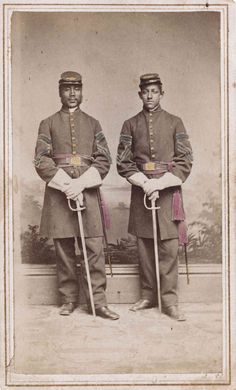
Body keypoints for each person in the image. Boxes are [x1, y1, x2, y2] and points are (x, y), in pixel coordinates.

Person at [34, 71, 119, 319]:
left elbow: (104, 160)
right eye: (67, 89)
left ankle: (98, 302)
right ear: (59, 92)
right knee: (64, 248)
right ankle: (69, 299)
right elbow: (41, 160)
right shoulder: (47, 123)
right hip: (59, 194)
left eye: (77, 89)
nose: (72, 94)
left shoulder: (93, 124)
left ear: (82, 91)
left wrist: (80, 184)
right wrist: (66, 184)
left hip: (88, 192)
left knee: (94, 247)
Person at [117, 73, 193, 321]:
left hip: (168, 192)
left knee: (169, 247)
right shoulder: (130, 124)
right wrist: (144, 183)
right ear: (140, 94)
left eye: (154, 91)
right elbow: (123, 163)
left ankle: (170, 301)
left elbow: (185, 161)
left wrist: (161, 184)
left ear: (162, 93)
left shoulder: (175, 122)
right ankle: (148, 295)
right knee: (145, 246)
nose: (150, 96)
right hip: (142, 191)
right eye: (145, 91)